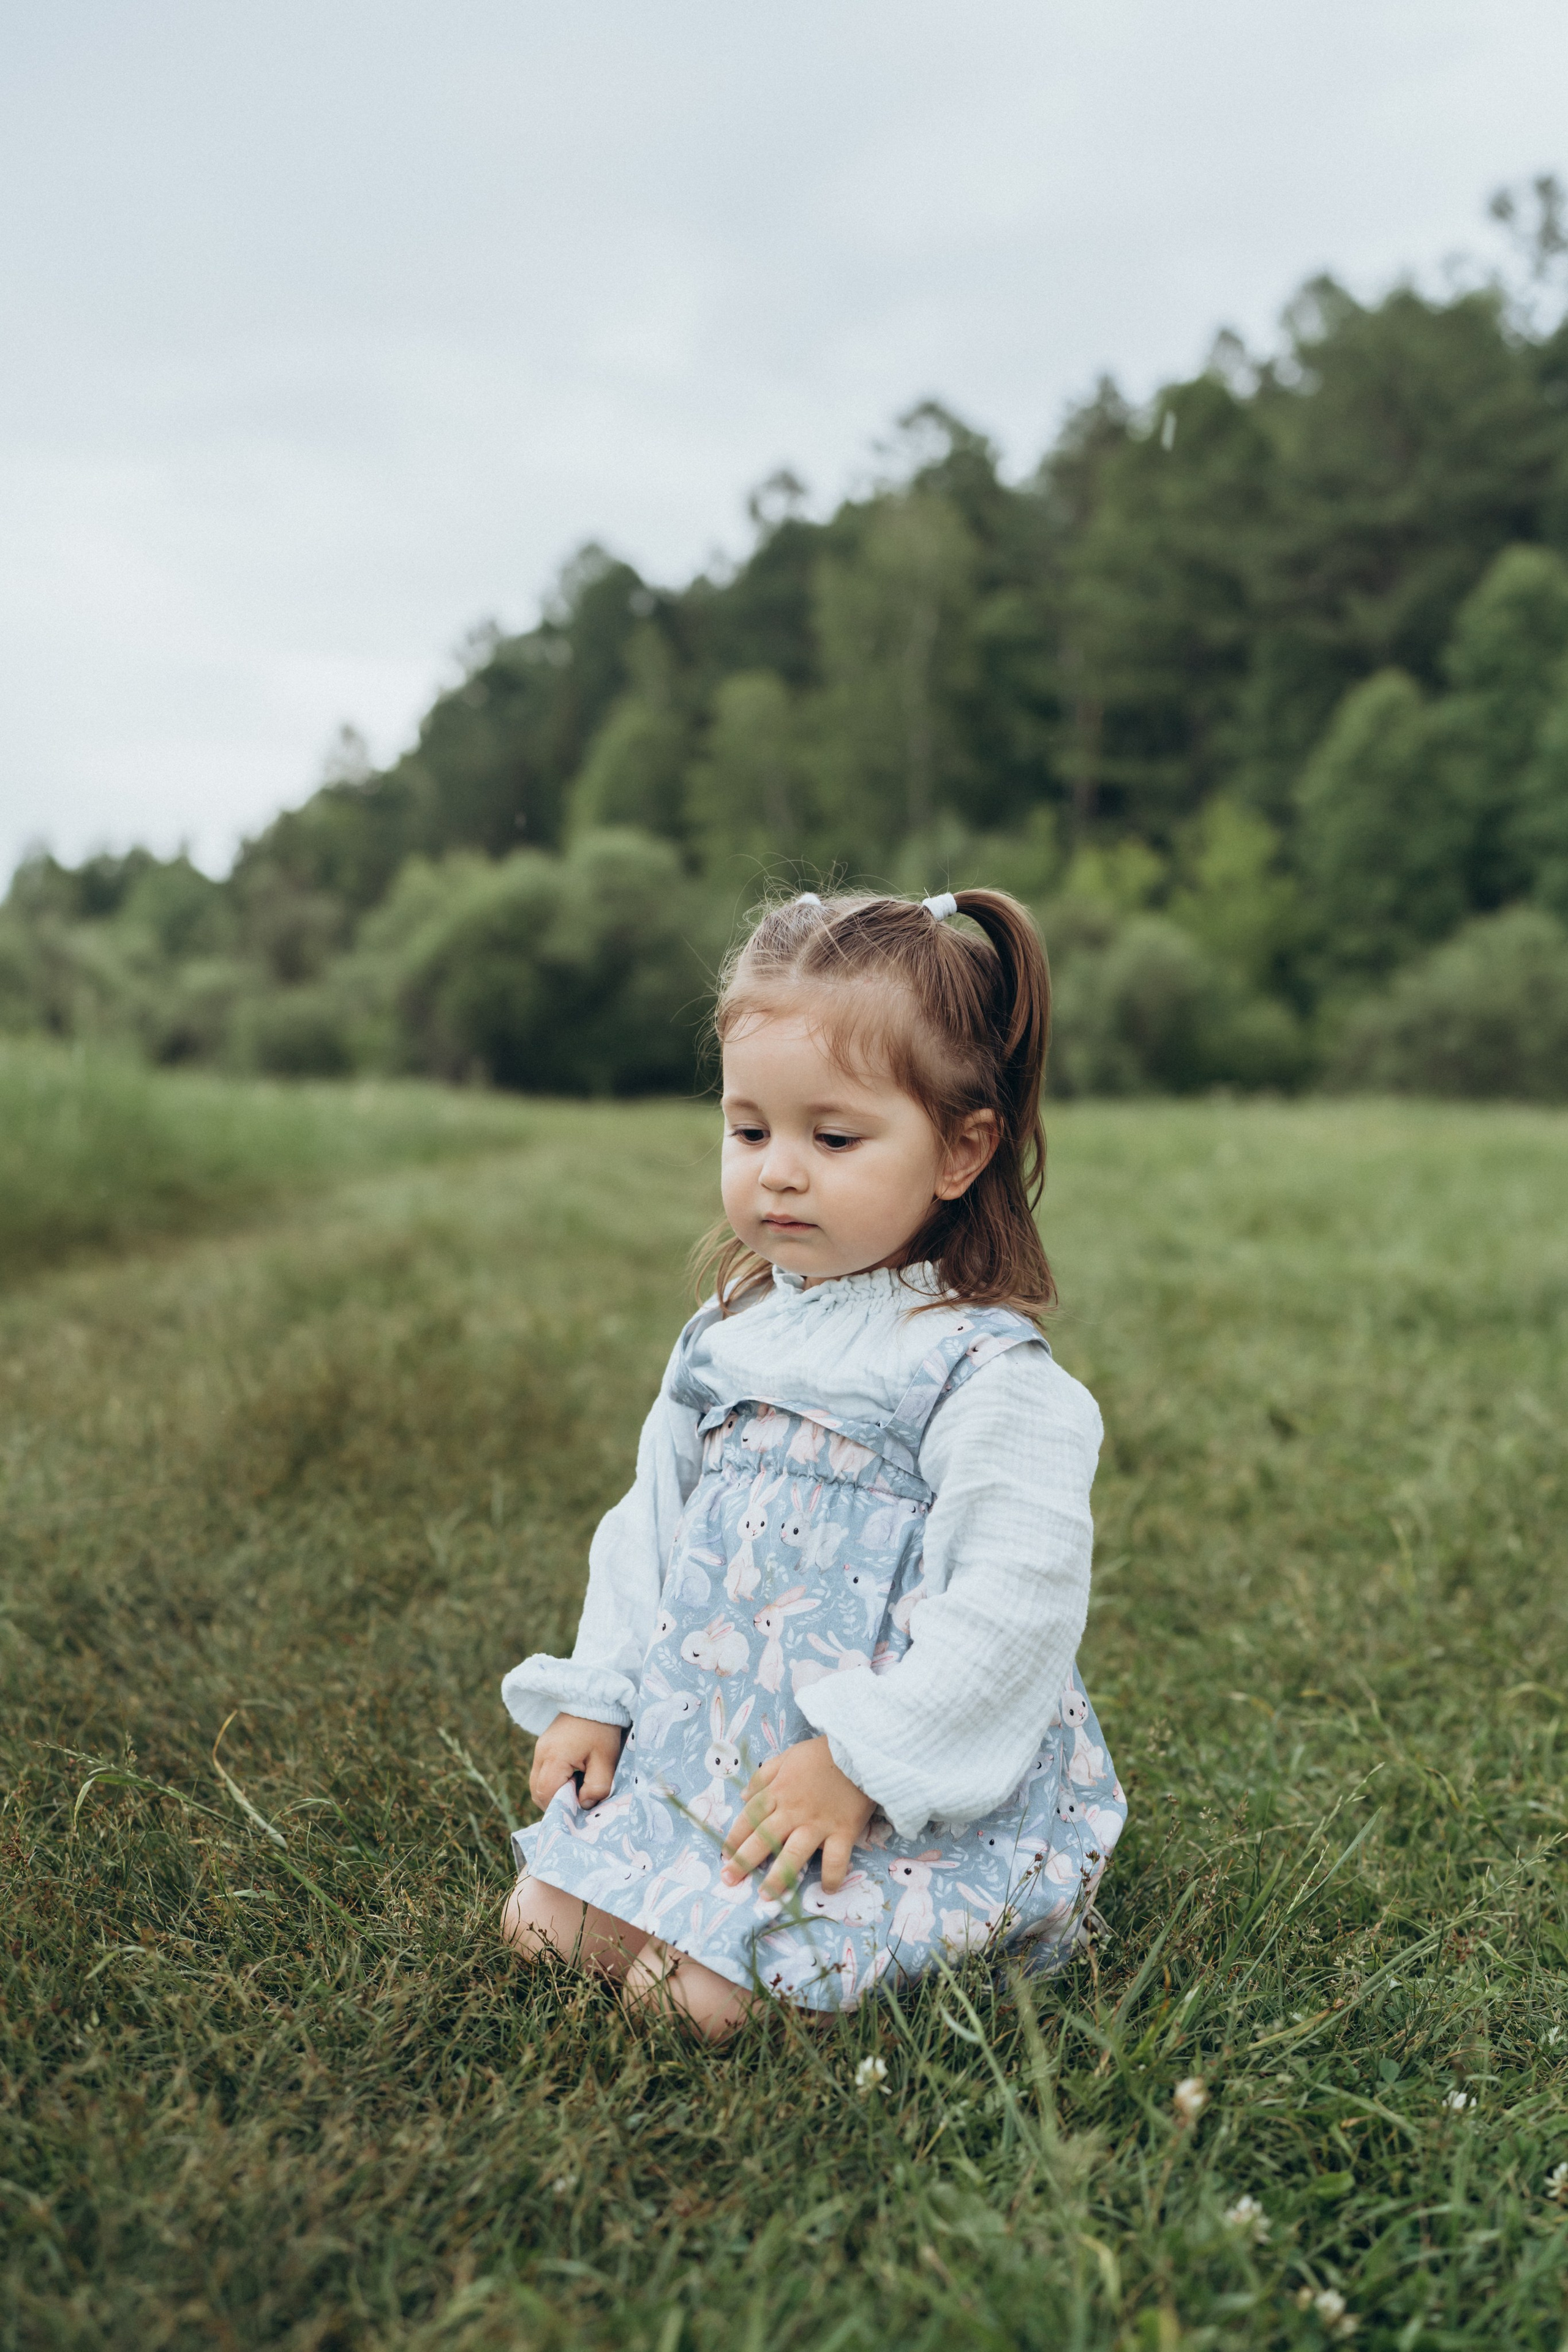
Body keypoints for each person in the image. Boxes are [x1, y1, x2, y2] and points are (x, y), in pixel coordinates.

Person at [498, 888, 1125, 2038]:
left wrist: (864, 1761)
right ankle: (696, 1888)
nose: (779, 1172)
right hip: (720, 1765)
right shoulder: (725, 1340)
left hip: (892, 1798)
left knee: (694, 2003)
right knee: (540, 1923)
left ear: (962, 1149)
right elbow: (650, 1525)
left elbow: (1014, 1612)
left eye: (832, 1140)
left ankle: (876, 1936)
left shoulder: (981, 1375)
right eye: (750, 1132)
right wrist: (599, 1695)